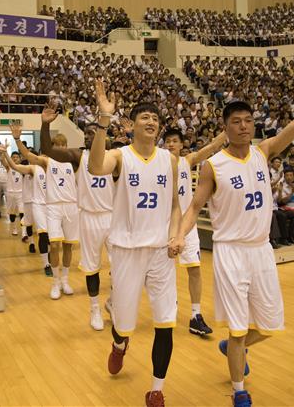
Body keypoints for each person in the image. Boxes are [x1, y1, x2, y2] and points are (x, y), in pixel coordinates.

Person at [173, 47, 294, 407]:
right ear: (225, 128)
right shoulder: (213, 165)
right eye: (236, 122)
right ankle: (239, 390)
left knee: (270, 325)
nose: (244, 126)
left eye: (248, 120)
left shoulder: (265, 151)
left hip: (261, 250)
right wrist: (180, 234)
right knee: (239, 328)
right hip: (230, 253)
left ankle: (233, 349)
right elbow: (195, 205)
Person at [88, 80, 181, 406]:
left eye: (155, 118)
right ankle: (119, 344)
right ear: (132, 125)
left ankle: (156, 389)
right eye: (144, 117)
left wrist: (177, 233)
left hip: (160, 252)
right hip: (126, 250)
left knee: (165, 322)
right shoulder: (120, 155)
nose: (151, 121)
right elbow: (95, 167)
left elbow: (174, 206)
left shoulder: (169, 160)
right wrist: (103, 119)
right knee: (124, 325)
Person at [39, 107, 115, 330]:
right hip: (89, 218)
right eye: (87, 134)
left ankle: (112, 302)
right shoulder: (78, 156)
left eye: (94, 132)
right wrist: (45, 124)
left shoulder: (115, 157)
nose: (89, 136)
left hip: (113, 217)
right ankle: (94, 309)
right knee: (92, 268)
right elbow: (47, 149)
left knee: (120, 268)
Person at [163, 128, 226, 336]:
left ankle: (195, 315)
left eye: (175, 141)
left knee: (195, 269)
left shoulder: (187, 161)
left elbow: (212, 147)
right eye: (168, 141)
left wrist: (225, 133)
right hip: (164, 225)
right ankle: (167, 307)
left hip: (187, 225)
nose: (171, 144)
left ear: (182, 145)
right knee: (164, 272)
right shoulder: (157, 162)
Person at [13, 127, 78, 300]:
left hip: (71, 206)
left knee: (68, 246)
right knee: (54, 245)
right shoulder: (47, 161)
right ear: (53, 147)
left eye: (63, 145)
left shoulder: (73, 162)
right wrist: (18, 139)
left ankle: (65, 280)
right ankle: (55, 282)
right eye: (57, 145)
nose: (61, 148)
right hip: (53, 207)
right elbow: (29, 156)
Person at [0, 142, 51, 275]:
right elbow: (13, 166)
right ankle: (32, 243)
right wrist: (5, 153)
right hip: (31, 202)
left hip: (49, 205)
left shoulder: (52, 169)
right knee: (29, 224)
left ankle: (48, 259)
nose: (44, 159)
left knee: (48, 235)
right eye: (42, 156)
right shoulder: (31, 168)